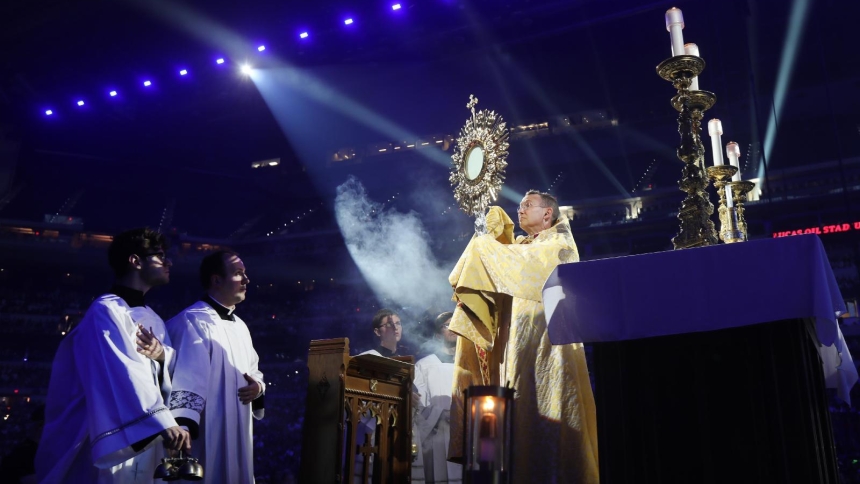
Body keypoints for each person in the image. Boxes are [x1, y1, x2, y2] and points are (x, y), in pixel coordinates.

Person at [447, 190, 599, 483]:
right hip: (512, 349)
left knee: (549, 410)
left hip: (549, 348)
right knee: (515, 412)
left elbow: (519, 263)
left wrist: (484, 243)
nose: (520, 211)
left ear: (547, 214)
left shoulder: (559, 244)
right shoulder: (519, 246)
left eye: (528, 205)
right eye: (519, 206)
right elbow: (504, 263)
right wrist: (491, 232)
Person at [36, 227, 190, 483]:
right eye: (160, 255)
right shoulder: (106, 311)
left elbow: (168, 371)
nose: (168, 262)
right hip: (114, 434)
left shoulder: (154, 319)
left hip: (150, 435)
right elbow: (122, 373)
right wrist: (162, 421)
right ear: (135, 261)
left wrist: (164, 356)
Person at [166, 250, 265, 484]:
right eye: (238, 273)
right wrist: (185, 426)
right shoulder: (192, 320)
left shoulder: (241, 326)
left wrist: (258, 388)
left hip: (240, 428)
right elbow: (185, 378)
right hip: (206, 431)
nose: (246, 280)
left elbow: (255, 370)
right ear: (216, 280)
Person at [413, 311, 462, 484]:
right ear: (436, 334)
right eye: (446, 325)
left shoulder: (468, 365)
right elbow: (418, 405)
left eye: (455, 323)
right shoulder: (424, 365)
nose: (452, 327)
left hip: (463, 433)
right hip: (436, 435)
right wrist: (440, 415)